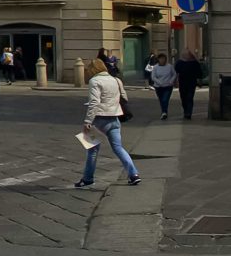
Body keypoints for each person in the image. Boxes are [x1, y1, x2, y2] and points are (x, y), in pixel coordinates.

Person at [76, 57, 139, 188]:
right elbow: (124, 97)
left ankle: (87, 179)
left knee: (92, 150)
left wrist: (87, 121)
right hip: (115, 118)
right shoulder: (116, 80)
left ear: (93, 70)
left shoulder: (95, 81)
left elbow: (94, 102)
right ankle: (134, 174)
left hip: (99, 119)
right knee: (118, 148)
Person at [178, 50, 207, 120]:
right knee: (183, 98)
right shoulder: (180, 62)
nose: (186, 56)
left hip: (191, 83)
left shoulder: (194, 63)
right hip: (182, 83)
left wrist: (200, 80)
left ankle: (189, 113)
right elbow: (176, 71)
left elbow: (199, 73)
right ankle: (186, 110)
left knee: (190, 97)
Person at [149, 53, 178, 119]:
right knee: (161, 100)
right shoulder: (155, 67)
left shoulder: (169, 66)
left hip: (168, 86)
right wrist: (159, 82)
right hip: (158, 87)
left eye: (163, 58)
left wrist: (171, 81)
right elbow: (153, 77)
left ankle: (164, 112)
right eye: (161, 59)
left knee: (165, 99)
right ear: (158, 59)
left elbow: (174, 74)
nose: (162, 60)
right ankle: (164, 111)